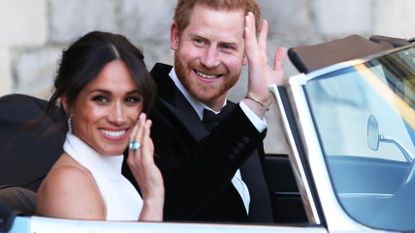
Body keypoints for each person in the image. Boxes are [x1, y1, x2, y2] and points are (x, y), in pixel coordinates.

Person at [123, 0, 286, 223]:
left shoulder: (241, 119)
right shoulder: (140, 111)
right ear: (175, 36)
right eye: (199, 41)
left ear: (247, 53)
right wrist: (255, 104)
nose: (210, 61)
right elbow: (169, 207)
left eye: (226, 46)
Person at [36, 31, 164, 221]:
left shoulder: (116, 180)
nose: (119, 118)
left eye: (130, 99)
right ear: (68, 102)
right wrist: (153, 200)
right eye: (101, 99)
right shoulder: (70, 183)